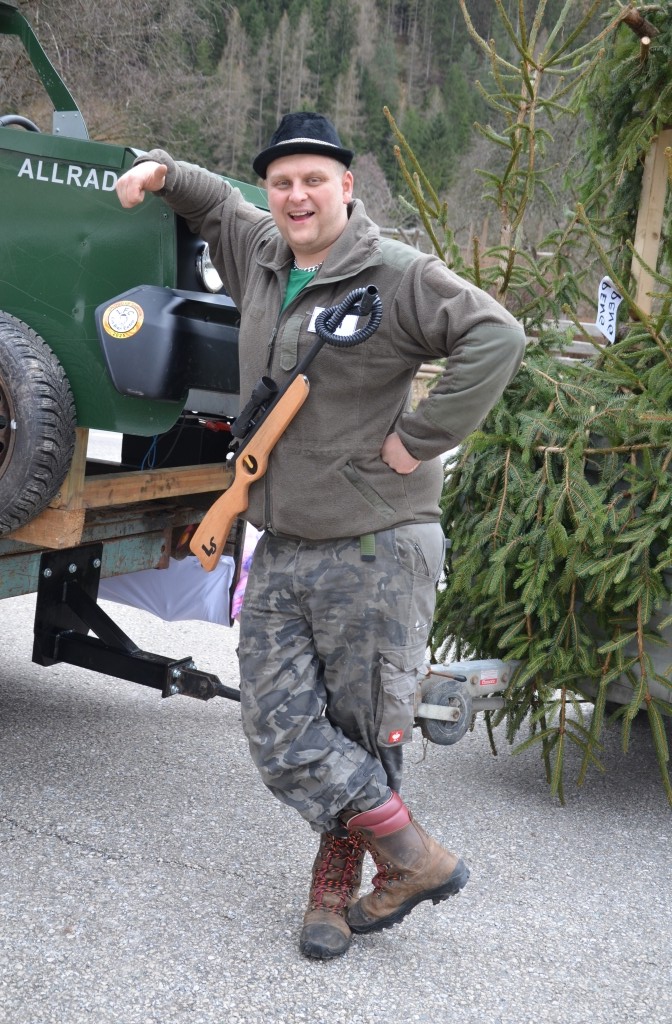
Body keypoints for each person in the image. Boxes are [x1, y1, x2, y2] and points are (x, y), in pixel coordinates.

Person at [116, 112, 526, 960]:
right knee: (277, 730)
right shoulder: (261, 251)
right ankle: (416, 858)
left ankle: (334, 893)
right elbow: (209, 201)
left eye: (313, 180)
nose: (296, 196)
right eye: (281, 182)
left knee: (362, 726)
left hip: (377, 541)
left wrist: (419, 438)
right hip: (284, 540)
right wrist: (157, 170)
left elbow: (497, 335)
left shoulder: (397, 273)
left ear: (347, 186)